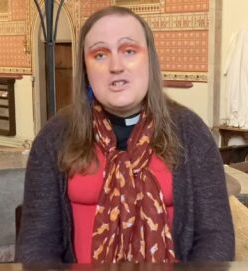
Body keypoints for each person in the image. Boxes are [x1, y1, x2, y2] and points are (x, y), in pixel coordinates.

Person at [16, 6, 234, 264]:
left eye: (129, 51)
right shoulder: (54, 137)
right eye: (100, 54)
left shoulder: (191, 132)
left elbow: (215, 238)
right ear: (86, 69)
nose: (116, 66)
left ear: (149, 60)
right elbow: (37, 245)